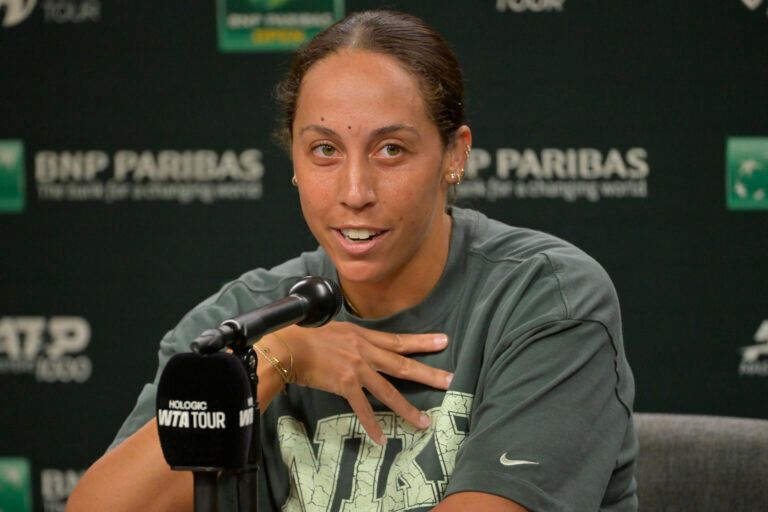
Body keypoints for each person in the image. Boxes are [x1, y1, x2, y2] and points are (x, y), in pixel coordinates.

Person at [67, 10, 637, 512]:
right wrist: (275, 359)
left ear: (454, 156)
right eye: (324, 151)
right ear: (292, 156)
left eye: (391, 150)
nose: (355, 190)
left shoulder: (546, 297)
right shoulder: (247, 318)